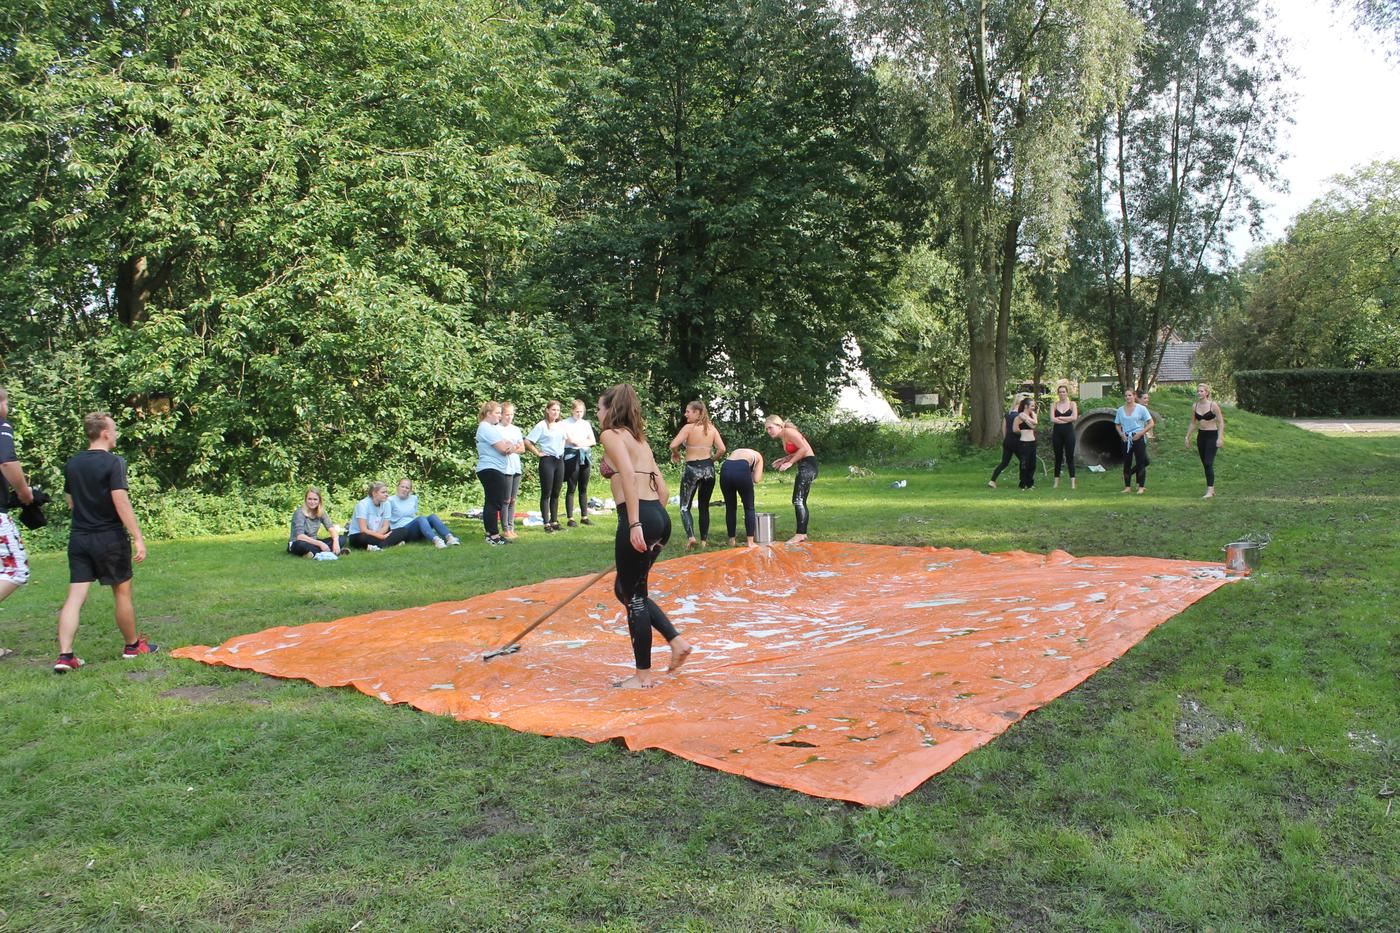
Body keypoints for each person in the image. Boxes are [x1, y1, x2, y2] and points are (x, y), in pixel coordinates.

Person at [597, 383, 693, 689]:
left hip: (637, 518)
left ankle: (642, 677)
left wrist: (636, 525)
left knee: (634, 597)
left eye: (599, 408)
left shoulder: (610, 435)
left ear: (610, 410)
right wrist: (651, 523)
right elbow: (662, 489)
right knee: (625, 589)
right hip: (659, 517)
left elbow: (627, 473)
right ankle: (676, 642)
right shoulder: (640, 440)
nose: (597, 414)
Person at [54, 412, 154, 673]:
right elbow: (120, 500)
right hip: (109, 538)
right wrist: (137, 537)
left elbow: (70, 500)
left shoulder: (73, 463)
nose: (116, 434)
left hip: (79, 538)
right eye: (115, 429)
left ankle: (65, 656)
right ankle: (132, 647)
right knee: (122, 593)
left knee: (75, 597)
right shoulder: (114, 462)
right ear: (105, 433)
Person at [0, 387, 37, 659]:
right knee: (16, 570)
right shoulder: (2, 426)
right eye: (5, 402)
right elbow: (6, 462)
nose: (7, 408)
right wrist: (25, 493)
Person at [669, 400, 726, 549]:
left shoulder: (688, 428)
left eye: (688, 411)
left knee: (684, 506)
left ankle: (691, 537)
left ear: (697, 413)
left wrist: (675, 454)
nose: (685, 414)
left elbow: (673, 445)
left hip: (692, 469)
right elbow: (722, 449)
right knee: (704, 506)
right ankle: (704, 542)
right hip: (709, 470)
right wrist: (712, 460)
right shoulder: (712, 428)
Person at [765, 414, 817, 545]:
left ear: (779, 425)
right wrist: (784, 459)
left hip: (809, 466)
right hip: (804, 465)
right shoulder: (784, 435)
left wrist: (790, 462)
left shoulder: (789, 432)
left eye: (770, 427)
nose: (768, 431)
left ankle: (800, 534)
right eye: (766, 429)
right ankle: (802, 533)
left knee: (798, 500)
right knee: (799, 500)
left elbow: (805, 449)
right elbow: (798, 451)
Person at [525, 400, 569, 533]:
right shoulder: (541, 425)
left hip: (559, 460)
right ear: (547, 410)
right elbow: (527, 441)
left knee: (556, 492)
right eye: (553, 410)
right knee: (547, 492)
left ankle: (554, 521)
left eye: (558, 410)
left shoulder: (561, 425)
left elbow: (566, 439)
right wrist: (538, 453)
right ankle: (546, 523)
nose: (556, 412)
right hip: (547, 460)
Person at [475, 401, 515, 546]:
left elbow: (508, 444)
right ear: (488, 413)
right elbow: (504, 448)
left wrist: (509, 445)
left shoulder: (491, 428)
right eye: (497, 413)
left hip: (495, 468)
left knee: (494, 501)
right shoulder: (486, 428)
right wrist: (510, 446)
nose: (500, 416)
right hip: (490, 468)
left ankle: (491, 533)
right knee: (493, 502)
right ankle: (493, 535)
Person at [388, 478, 461, 548]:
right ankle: (436, 540)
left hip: (414, 528)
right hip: (401, 531)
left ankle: (450, 538)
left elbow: (413, 514)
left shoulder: (414, 498)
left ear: (410, 490)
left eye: (407, 488)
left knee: (432, 517)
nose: (404, 489)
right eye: (402, 487)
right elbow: (384, 518)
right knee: (421, 518)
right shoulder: (390, 500)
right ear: (397, 487)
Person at [1185, 382, 1225, 498]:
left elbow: (1221, 422)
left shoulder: (1213, 405)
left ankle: (1210, 491)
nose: (1199, 393)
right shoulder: (1195, 406)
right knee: (1205, 464)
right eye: (1198, 391)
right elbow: (1193, 423)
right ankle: (1211, 488)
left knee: (1208, 462)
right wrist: (1187, 437)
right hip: (1201, 436)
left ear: (1206, 393)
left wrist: (1220, 437)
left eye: (1201, 391)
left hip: (1212, 435)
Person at [562, 399, 597, 527]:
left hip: (585, 455)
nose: (579, 414)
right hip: (571, 456)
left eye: (581, 412)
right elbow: (571, 441)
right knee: (572, 487)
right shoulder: (565, 423)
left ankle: (584, 516)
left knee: (583, 487)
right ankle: (570, 518)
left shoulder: (586, 424)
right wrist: (582, 442)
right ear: (572, 411)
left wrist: (581, 442)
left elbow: (593, 441)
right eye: (577, 411)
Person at [719, 448, 764, 547]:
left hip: (725, 468)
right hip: (741, 469)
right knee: (749, 507)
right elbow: (756, 479)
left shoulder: (737, 451)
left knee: (730, 508)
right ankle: (750, 542)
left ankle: (731, 540)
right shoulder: (759, 457)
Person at [1114, 390, 1155, 494]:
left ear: (1134, 396)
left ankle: (1141, 487)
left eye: (1130, 395)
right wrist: (1121, 434)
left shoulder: (1141, 409)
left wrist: (1141, 433)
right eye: (1126, 395)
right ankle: (1127, 487)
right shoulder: (1120, 410)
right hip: (1126, 438)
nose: (1128, 397)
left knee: (1141, 462)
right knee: (1127, 462)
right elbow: (1117, 424)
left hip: (1138, 437)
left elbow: (1151, 423)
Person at [288, 487, 342, 557]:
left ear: (319, 501)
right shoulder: (299, 512)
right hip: (299, 542)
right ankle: (330, 552)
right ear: (305, 500)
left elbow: (331, 528)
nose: (312, 502)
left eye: (315, 499)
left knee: (341, 539)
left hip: (314, 542)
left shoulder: (321, 512)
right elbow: (300, 536)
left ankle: (314, 553)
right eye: (309, 499)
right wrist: (320, 544)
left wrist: (336, 542)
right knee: (301, 545)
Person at [499, 402, 526, 539]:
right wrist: (510, 447)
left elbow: (522, 448)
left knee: (513, 499)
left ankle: (511, 527)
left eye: (512, 414)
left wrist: (513, 448)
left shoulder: (516, 429)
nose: (510, 417)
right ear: (501, 415)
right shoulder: (496, 429)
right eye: (507, 414)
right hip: (504, 468)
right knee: (506, 499)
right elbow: (502, 448)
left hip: (515, 467)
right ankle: (505, 528)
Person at [347, 482, 403, 549]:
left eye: (386, 492)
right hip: (361, 534)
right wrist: (381, 537)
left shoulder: (387, 504)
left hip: (378, 533)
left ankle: (377, 546)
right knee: (362, 537)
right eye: (383, 492)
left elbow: (386, 526)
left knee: (402, 531)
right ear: (374, 493)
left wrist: (378, 535)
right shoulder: (363, 504)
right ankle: (388, 544)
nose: (386, 494)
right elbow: (363, 530)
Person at [987, 399, 1023, 488]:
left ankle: (992, 480)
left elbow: (1004, 429)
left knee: (1004, 462)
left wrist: (1006, 439)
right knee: (1024, 461)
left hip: (1008, 441)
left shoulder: (1007, 414)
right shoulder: (1020, 416)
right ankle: (1023, 481)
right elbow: (1018, 429)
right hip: (1017, 441)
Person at [1050, 384, 1078, 490]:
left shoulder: (1072, 404)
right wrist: (1067, 419)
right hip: (1057, 433)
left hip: (1069, 433)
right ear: (1058, 393)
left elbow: (1074, 417)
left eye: (1063, 392)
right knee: (1058, 457)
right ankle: (1056, 483)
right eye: (1060, 392)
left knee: (1070, 457)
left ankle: (1073, 483)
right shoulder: (1054, 404)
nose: (1062, 394)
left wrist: (1060, 418)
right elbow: (1052, 419)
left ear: (1067, 393)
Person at [1014, 398, 1039, 490]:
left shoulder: (1031, 416)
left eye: (1034, 406)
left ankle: (1030, 483)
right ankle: (1023, 483)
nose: (1033, 407)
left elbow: (1034, 425)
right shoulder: (1021, 416)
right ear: (1026, 406)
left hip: (1032, 442)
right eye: (1032, 406)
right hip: (1024, 443)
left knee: (1032, 464)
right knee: (1024, 464)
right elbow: (1015, 429)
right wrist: (1033, 417)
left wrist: (1032, 416)